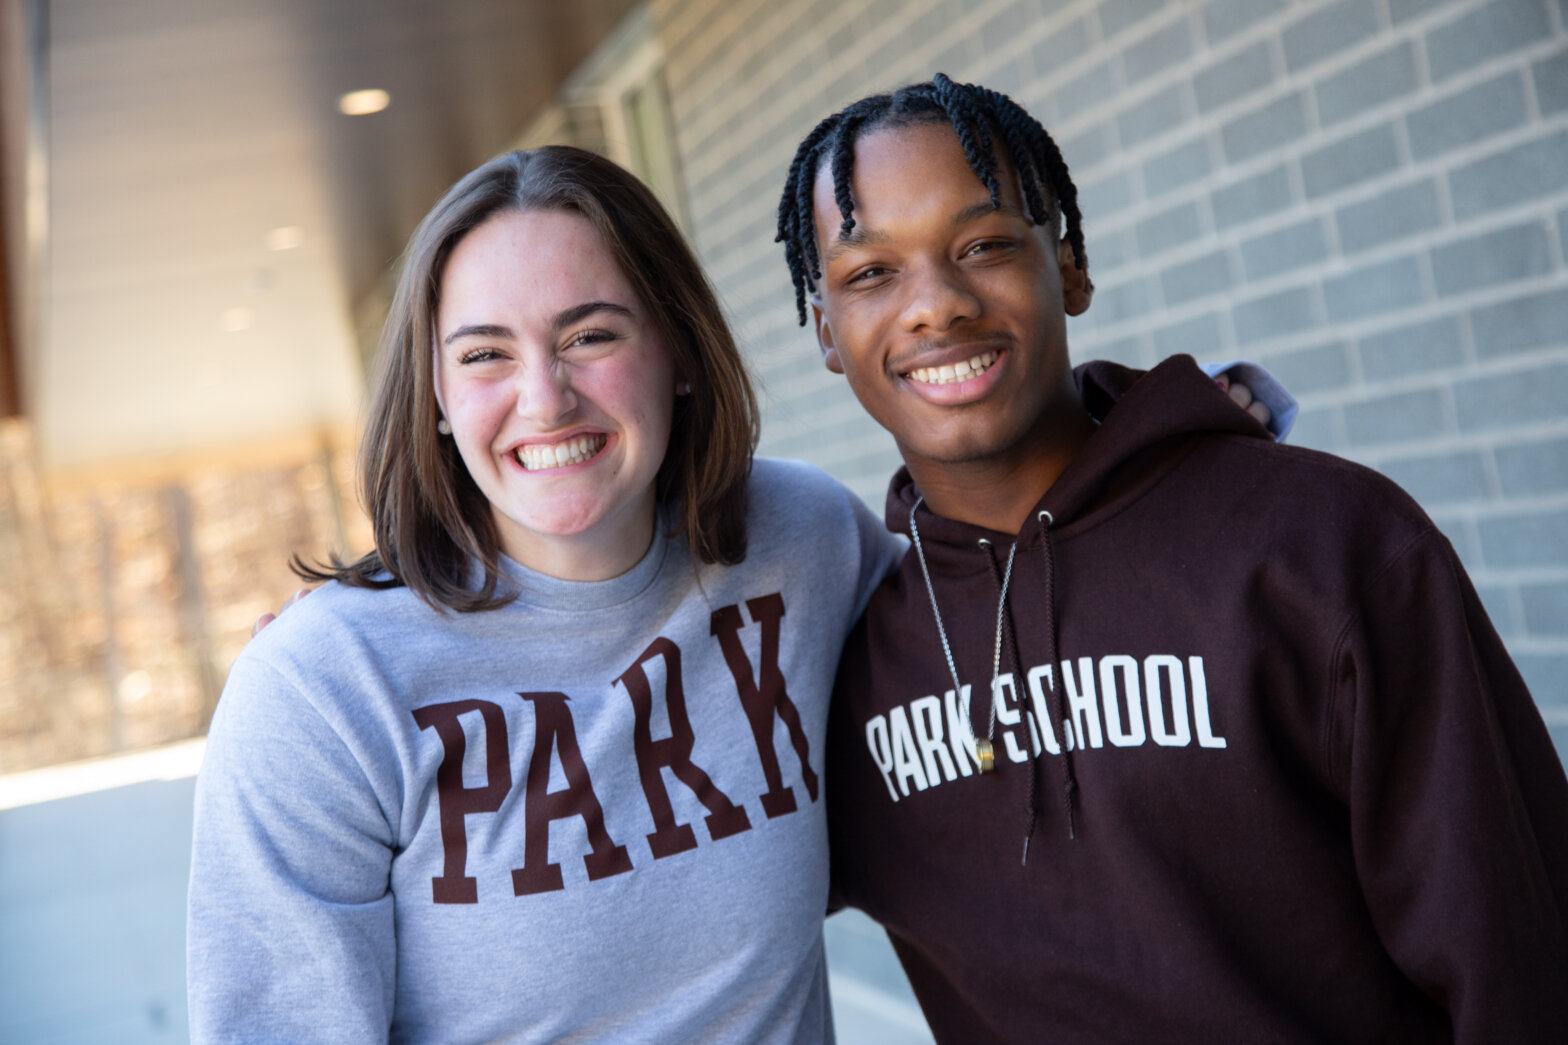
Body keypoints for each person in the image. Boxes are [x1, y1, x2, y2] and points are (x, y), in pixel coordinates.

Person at [776, 75, 1568, 1043]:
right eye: (869, 274)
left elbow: (1518, 959)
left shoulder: (1320, 543)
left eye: (982, 245)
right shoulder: (848, 668)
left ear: (1065, 266)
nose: (934, 306)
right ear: (824, 329)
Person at [186, 145, 905, 1043]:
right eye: (486, 354)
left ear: (678, 351)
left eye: (590, 335)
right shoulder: (326, 692)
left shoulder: (802, 540)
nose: (545, 398)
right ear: (438, 397)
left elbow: (987, 657)